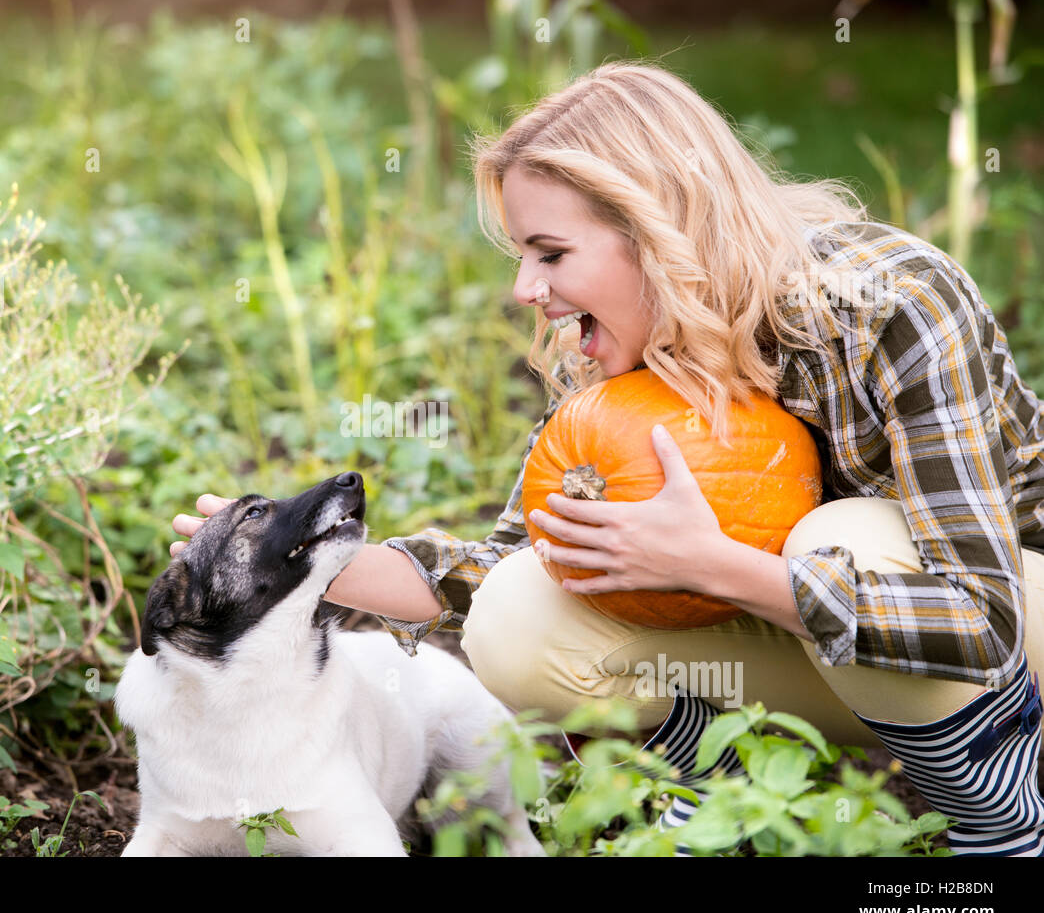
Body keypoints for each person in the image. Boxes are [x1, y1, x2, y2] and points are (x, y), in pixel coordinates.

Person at [171, 61, 1044, 856]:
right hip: (830, 648)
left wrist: (715, 566)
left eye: (550, 253)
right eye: (522, 256)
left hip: (1002, 638)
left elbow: (980, 616)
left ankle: (991, 815)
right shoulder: (614, 355)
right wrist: (317, 567)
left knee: (836, 534)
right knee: (517, 614)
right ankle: (722, 780)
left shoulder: (889, 303)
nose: (525, 289)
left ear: (662, 228)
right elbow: (513, 560)